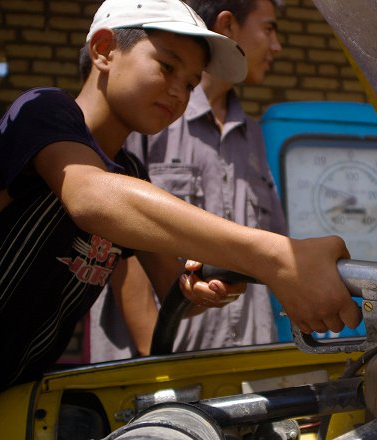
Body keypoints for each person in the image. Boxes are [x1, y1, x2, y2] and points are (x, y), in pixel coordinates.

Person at [0, 0, 361, 413]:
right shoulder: (43, 110)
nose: (180, 91)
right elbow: (91, 197)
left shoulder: (131, 171)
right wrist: (276, 256)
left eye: (192, 82)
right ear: (104, 50)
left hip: (9, 393)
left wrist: (200, 285)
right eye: (167, 67)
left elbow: (171, 284)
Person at [89, 0, 288, 360]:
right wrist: (157, 352)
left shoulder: (252, 136)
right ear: (227, 25)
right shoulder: (146, 115)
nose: (277, 46)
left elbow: (273, 242)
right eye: (269, 28)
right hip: (165, 364)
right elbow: (118, 243)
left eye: (190, 81)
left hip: (244, 359)